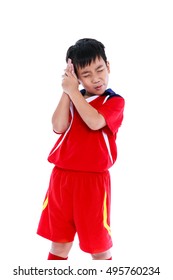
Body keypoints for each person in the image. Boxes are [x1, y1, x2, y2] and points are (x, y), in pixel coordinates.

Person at [37, 38, 125, 260]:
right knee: (59, 244)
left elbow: (95, 122)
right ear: (76, 76)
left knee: (99, 247)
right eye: (86, 75)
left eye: (100, 70)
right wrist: (68, 90)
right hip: (62, 178)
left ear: (108, 66)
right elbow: (58, 126)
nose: (96, 78)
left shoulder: (113, 101)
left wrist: (74, 92)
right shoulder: (73, 97)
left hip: (92, 182)